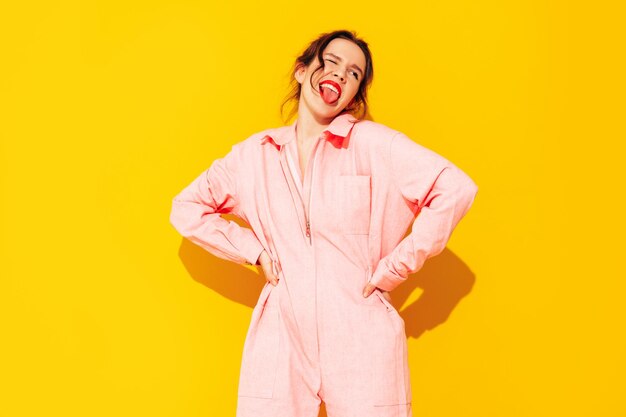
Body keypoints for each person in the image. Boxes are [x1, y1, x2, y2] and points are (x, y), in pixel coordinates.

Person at [169, 29, 478, 417]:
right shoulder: (254, 156)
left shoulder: (375, 145)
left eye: (353, 74)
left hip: (361, 338)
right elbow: (186, 206)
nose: (340, 75)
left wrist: (396, 267)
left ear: (354, 95)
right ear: (302, 71)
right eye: (330, 62)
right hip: (281, 336)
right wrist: (254, 251)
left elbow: (455, 188)